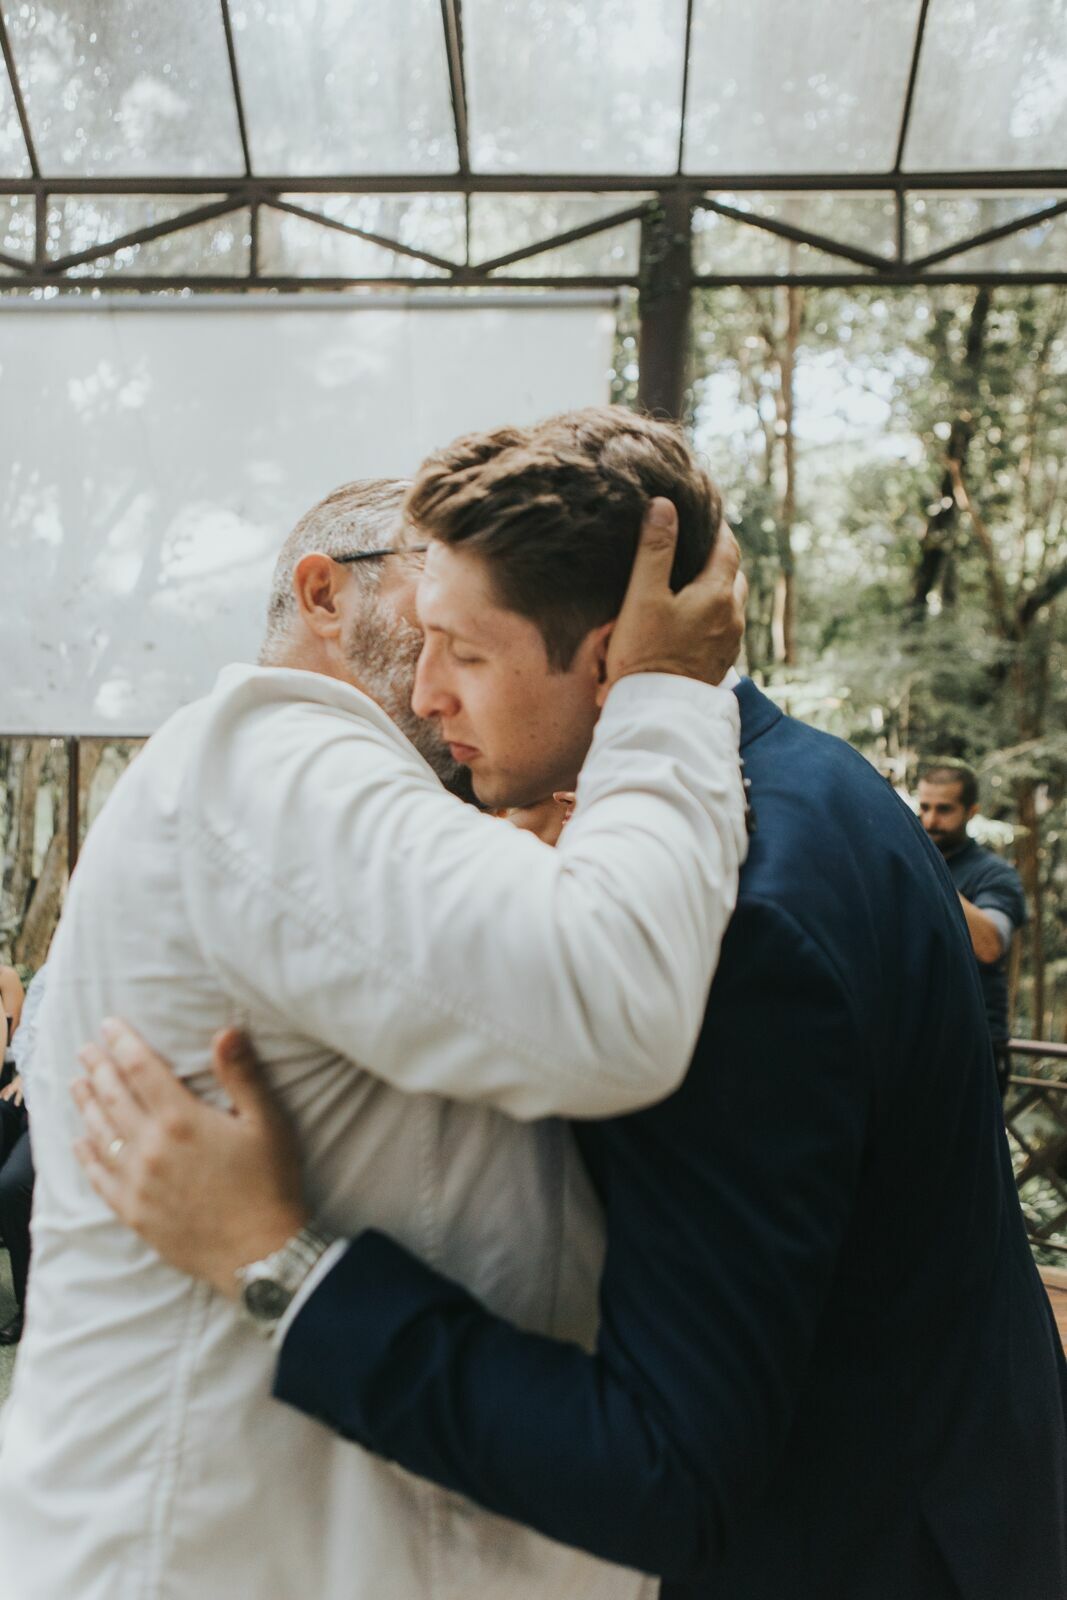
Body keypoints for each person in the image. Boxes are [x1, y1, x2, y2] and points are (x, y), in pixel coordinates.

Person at [75, 418, 1067, 1600]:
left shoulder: (736, 925)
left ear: (610, 658)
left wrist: (275, 1264)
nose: (424, 691)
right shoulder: (815, 779)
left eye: (464, 653)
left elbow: (663, 1470)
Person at [0, 429, 749, 1600]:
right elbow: (608, 1006)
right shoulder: (269, 752)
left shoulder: (350, 800)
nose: (460, 609)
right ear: (323, 591)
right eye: (430, 577)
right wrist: (662, 699)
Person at [918, 759, 1028, 1092]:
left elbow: (990, 945)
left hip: (974, 1046)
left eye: (944, 809)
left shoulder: (994, 875)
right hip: (916, 1043)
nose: (931, 820)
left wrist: (928, 870)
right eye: (924, 807)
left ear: (971, 811)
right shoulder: (910, 866)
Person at [0, 964, 46, 1347]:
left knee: (14, 1185)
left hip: (65, 1104)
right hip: (29, 1089)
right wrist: (24, 1078)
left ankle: (34, 1307)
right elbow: (27, 1041)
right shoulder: (48, 975)